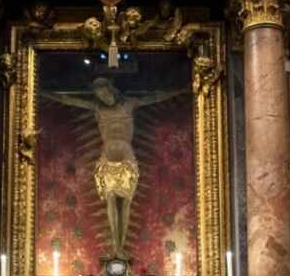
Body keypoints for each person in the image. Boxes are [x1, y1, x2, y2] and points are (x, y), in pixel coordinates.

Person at [42, 78, 188, 258]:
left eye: (105, 93)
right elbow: (69, 101)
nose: (104, 98)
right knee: (111, 200)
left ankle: (121, 247)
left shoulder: (129, 104)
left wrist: (181, 90)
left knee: (125, 203)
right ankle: (115, 248)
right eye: (100, 96)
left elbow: (156, 97)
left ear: (112, 90)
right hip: (107, 156)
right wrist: (42, 93)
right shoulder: (98, 109)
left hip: (126, 155)